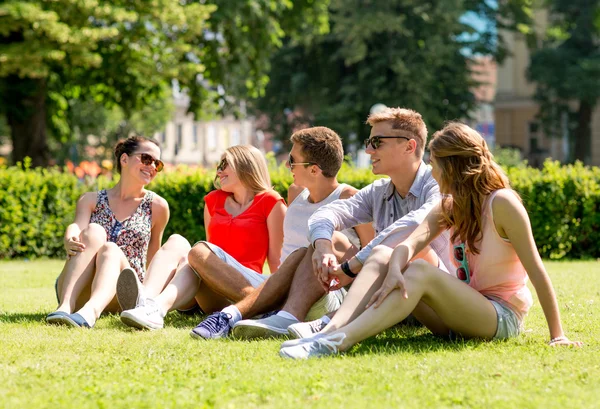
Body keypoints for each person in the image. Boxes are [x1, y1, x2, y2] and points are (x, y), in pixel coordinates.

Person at [279, 122, 583, 359]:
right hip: (456, 312)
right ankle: (330, 330)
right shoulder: (450, 205)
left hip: (499, 317)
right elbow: (411, 241)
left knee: (419, 271)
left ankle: (336, 342)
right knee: (389, 254)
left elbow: (537, 270)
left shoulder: (503, 204)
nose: (431, 171)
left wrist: (557, 335)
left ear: (453, 166)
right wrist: (395, 265)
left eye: (435, 163)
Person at [229, 107, 452, 340]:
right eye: (369, 141)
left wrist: (352, 266)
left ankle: (326, 322)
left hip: (440, 304)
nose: (368, 150)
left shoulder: (437, 186)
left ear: (409, 146)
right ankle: (288, 316)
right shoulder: (379, 192)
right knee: (326, 239)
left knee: (411, 247)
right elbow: (326, 214)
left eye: (377, 142)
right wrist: (323, 246)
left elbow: (413, 226)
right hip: (394, 296)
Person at [190, 126, 375, 339]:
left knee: (321, 242)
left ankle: (245, 311)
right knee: (198, 252)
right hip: (277, 286)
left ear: (314, 170)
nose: (287, 165)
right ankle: (267, 307)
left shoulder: (350, 198)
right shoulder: (295, 193)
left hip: (321, 293)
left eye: (292, 159)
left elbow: (370, 259)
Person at [119, 145, 286, 331]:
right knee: (177, 241)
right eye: (219, 165)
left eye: (225, 164)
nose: (219, 170)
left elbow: (277, 263)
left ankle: (155, 308)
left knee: (197, 256)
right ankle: (145, 301)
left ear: (244, 164)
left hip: (238, 290)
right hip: (206, 288)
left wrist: (278, 304)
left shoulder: (271, 202)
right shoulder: (213, 200)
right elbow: (211, 253)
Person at [45, 136, 180, 328]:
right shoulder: (90, 200)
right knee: (93, 231)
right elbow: (77, 225)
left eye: (157, 164)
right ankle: (64, 306)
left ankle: (90, 313)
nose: (152, 167)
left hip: (122, 293)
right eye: (146, 159)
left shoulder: (157, 206)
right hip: (79, 286)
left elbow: (153, 256)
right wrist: (70, 236)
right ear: (124, 159)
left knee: (110, 250)